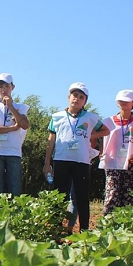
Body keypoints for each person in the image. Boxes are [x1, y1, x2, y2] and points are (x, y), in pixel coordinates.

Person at [43, 82, 109, 231]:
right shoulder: (57, 117)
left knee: (82, 197)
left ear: (85, 101)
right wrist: (47, 163)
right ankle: (56, 230)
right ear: (68, 97)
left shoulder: (91, 117)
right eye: (74, 95)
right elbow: (51, 140)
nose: (77, 99)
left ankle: (84, 230)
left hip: (82, 161)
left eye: (81, 97)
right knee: (59, 196)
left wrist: (92, 134)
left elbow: (106, 130)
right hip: (61, 160)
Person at [99, 90, 133, 214]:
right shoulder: (107, 121)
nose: (123, 103)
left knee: (129, 197)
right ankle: (108, 227)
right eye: (121, 100)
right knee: (112, 195)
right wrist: (101, 154)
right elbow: (99, 139)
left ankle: (127, 228)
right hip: (112, 163)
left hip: (131, 163)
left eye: (127, 100)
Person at [0, 73, 30, 202]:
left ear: (13, 87)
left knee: (15, 189)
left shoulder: (21, 107)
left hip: (13, 151)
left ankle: (15, 220)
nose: (4, 89)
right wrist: (12, 128)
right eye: (0, 86)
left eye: (7, 86)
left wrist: (11, 106)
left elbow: (24, 125)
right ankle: (1, 220)